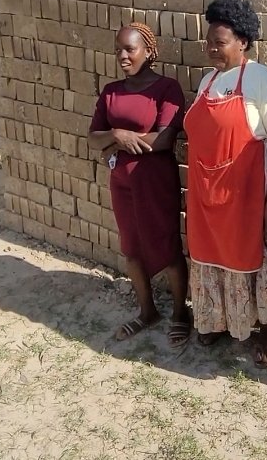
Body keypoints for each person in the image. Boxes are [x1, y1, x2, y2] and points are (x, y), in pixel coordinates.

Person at [184, 0, 267, 367]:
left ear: (242, 42)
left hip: (246, 196)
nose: (212, 48)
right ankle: (218, 319)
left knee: (252, 258)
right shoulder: (206, 82)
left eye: (220, 41)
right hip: (205, 196)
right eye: (209, 41)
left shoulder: (260, 78)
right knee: (211, 257)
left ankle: (265, 327)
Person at [88, 23, 191, 348]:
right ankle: (147, 311)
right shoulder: (111, 91)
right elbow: (93, 137)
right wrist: (116, 136)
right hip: (121, 182)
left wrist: (116, 143)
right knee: (131, 248)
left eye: (129, 49)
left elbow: (163, 140)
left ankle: (179, 313)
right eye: (118, 49)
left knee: (166, 245)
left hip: (156, 181)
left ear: (148, 51)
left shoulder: (166, 88)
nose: (122, 55)